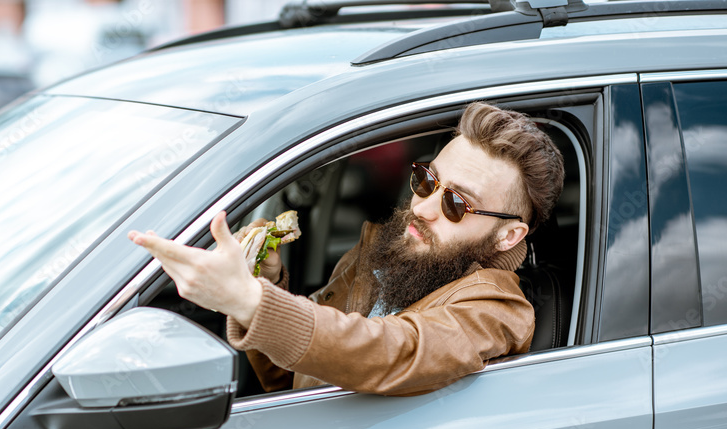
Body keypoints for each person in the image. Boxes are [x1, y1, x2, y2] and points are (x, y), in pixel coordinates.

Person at [128, 102, 565, 396]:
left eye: (456, 204)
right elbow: (292, 380)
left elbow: (395, 351)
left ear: (508, 236)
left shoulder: (497, 309)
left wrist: (251, 301)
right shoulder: (387, 253)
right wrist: (262, 283)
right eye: (427, 181)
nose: (423, 207)